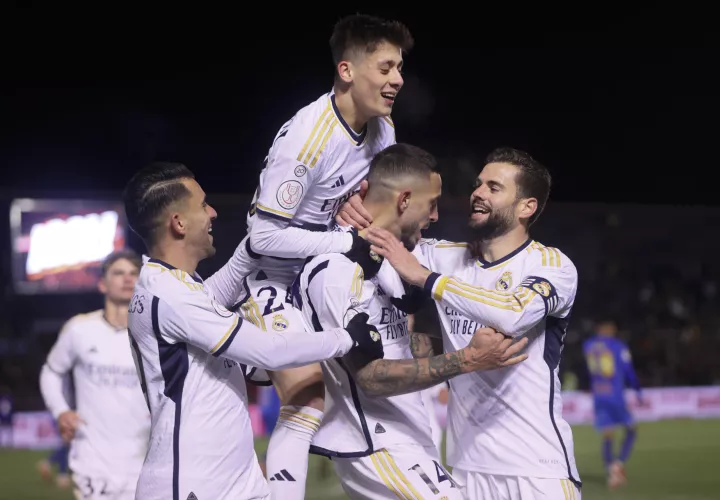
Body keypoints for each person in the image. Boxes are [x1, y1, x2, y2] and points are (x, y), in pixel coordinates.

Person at [122, 161, 383, 500]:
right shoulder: (170, 295)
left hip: (229, 482)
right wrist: (347, 337)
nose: (213, 212)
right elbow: (267, 351)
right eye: (203, 204)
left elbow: (213, 294)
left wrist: (253, 249)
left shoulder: (172, 285)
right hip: (191, 487)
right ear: (178, 223)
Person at [238, 13, 414, 498]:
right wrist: (346, 240)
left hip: (331, 274)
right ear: (347, 70)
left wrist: (360, 208)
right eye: (385, 67)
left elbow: (370, 198)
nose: (397, 79)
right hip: (275, 278)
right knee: (305, 401)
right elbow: (262, 238)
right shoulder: (306, 139)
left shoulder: (382, 129)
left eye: (399, 68)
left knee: (373, 387)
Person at [294, 144, 528, 499]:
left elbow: (401, 340)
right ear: (404, 199)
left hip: (406, 436)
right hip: (375, 442)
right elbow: (369, 376)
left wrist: (462, 342)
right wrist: (468, 360)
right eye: (431, 203)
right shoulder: (336, 270)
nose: (435, 215)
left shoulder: (388, 260)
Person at [363, 147, 583, 499]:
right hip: (466, 472)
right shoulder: (443, 256)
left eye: (494, 188)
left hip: (537, 470)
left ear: (527, 207)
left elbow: (512, 313)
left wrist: (427, 278)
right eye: (479, 184)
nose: (477, 193)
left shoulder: (552, 266)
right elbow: (380, 233)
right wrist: (352, 207)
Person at [39, 250, 151, 500]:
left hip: (145, 463)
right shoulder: (79, 329)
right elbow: (51, 372)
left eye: (134, 274)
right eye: (119, 273)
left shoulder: (155, 337)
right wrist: (61, 411)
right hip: (92, 464)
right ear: (102, 283)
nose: (127, 279)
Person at [583, 318, 642, 489]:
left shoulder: (589, 345)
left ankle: (611, 471)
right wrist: (637, 390)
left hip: (599, 394)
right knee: (631, 430)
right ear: (609, 329)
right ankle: (618, 463)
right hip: (615, 395)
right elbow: (628, 370)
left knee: (608, 434)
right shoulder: (617, 345)